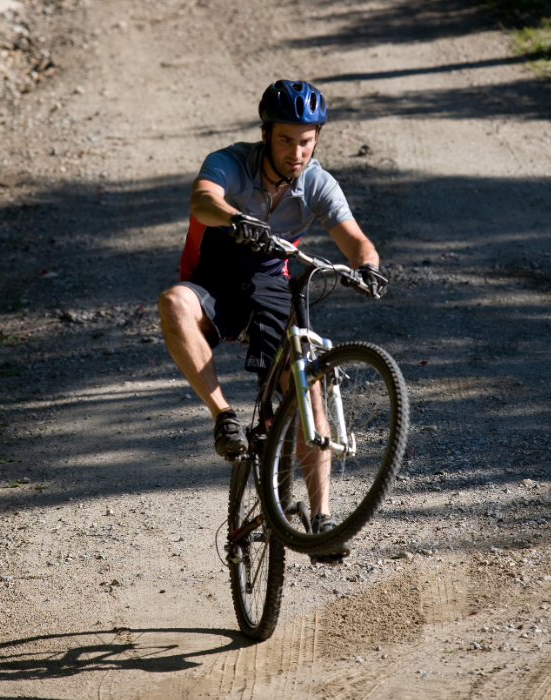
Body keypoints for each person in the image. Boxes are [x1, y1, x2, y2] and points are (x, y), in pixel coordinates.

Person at [158, 79, 386, 537]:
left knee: (309, 386)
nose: (296, 152)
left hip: (270, 287)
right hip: (214, 284)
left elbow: (354, 238)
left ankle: (322, 522)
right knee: (173, 303)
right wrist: (235, 218)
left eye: (305, 141)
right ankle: (223, 416)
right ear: (265, 134)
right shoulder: (230, 163)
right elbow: (202, 199)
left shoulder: (318, 183)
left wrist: (369, 267)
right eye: (285, 139)